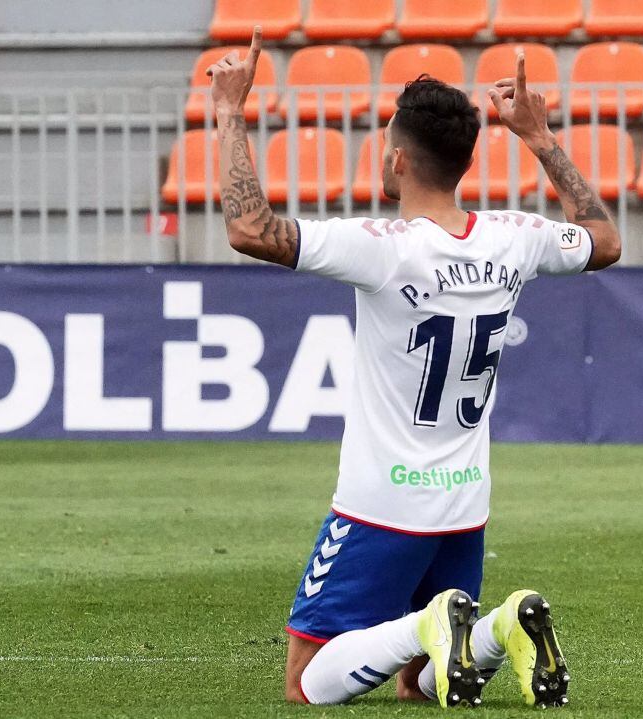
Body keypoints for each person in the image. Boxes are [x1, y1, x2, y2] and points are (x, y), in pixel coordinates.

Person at [208, 27, 620, 709]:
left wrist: (229, 111)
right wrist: (538, 135)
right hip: (465, 501)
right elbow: (605, 240)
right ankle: (500, 625)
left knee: (304, 682)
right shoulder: (514, 238)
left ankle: (425, 622)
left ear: (399, 160)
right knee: (420, 684)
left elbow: (251, 228)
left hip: (382, 503)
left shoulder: (382, 248)